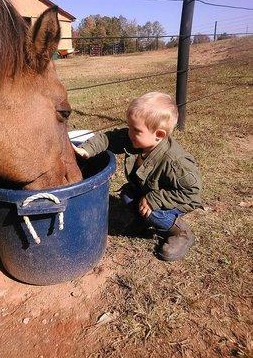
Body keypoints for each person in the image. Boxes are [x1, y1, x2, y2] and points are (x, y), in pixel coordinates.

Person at [73, 92, 202, 261]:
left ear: (159, 135)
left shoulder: (175, 162)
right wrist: (86, 149)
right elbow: (108, 139)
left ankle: (181, 232)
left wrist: (154, 199)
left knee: (153, 213)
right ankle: (144, 221)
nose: (129, 133)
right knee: (127, 195)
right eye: (129, 127)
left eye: (136, 130)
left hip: (176, 199)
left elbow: (192, 193)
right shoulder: (136, 140)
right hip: (149, 191)